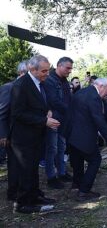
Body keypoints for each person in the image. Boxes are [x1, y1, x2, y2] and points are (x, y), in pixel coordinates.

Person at [10, 55, 59, 213]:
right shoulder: (21, 85)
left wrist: (47, 111)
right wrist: (43, 121)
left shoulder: (40, 83)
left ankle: (35, 195)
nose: (47, 73)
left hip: (36, 136)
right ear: (32, 69)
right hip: (24, 138)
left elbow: (37, 104)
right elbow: (18, 113)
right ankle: (22, 203)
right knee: (26, 170)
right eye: (44, 71)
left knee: (33, 169)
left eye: (48, 70)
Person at [66, 78, 107, 201]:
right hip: (84, 135)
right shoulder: (94, 97)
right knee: (95, 160)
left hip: (72, 135)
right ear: (100, 86)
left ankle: (77, 184)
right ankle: (84, 191)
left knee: (78, 161)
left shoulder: (81, 92)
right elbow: (99, 120)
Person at [43, 57, 73, 189]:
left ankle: (61, 173)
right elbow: (53, 101)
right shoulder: (50, 79)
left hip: (63, 120)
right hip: (53, 120)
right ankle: (51, 177)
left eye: (71, 68)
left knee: (61, 147)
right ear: (59, 66)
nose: (70, 71)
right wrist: (71, 109)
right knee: (52, 149)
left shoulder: (64, 81)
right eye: (68, 68)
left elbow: (68, 99)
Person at [0, 60, 27, 200]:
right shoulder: (8, 88)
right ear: (21, 72)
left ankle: (22, 190)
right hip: (11, 134)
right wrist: (3, 134)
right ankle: (13, 192)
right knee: (14, 165)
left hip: (25, 134)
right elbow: (2, 113)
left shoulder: (28, 88)